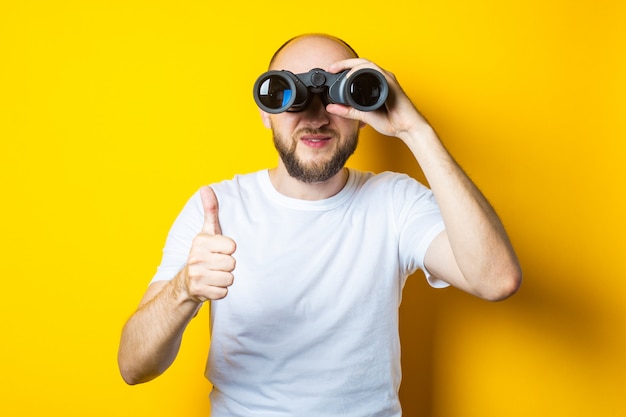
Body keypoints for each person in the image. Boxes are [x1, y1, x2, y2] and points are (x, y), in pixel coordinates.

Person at [117, 33, 522, 416]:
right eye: (288, 94)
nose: (315, 117)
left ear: (364, 109)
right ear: (265, 110)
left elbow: (496, 280)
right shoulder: (218, 208)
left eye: (335, 92)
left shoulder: (395, 201)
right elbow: (133, 366)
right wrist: (184, 288)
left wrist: (414, 130)